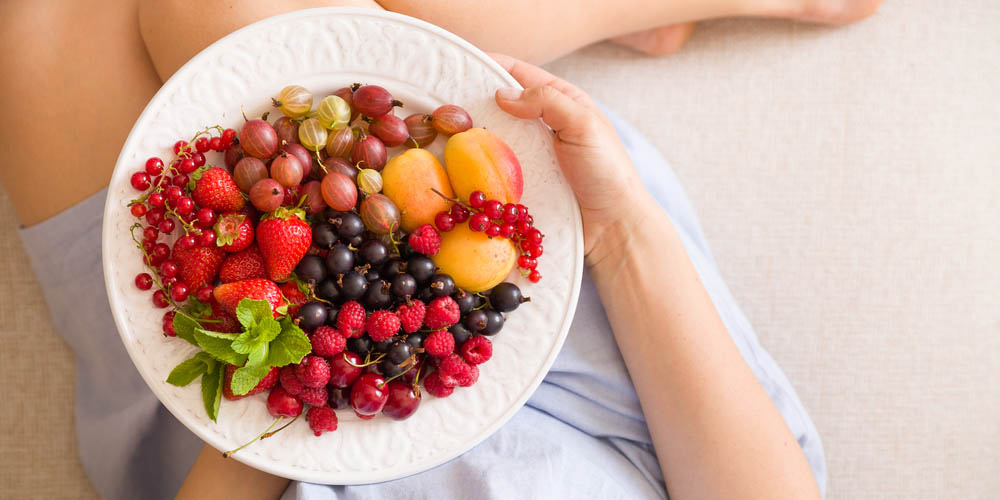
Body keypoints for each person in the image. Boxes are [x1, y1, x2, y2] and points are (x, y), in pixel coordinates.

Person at [0, 1, 881, 498]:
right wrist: (618, 231)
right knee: (230, 16)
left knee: (49, 18)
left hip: (244, 417)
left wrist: (272, 406)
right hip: (552, 355)